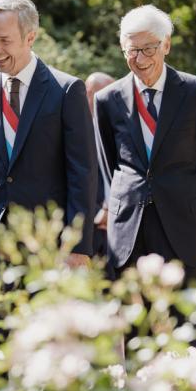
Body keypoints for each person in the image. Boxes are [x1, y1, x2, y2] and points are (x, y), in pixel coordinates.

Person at [0, 0, 98, 359]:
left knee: (44, 340)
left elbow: (82, 172)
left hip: (47, 244)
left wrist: (79, 247)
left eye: (4, 40)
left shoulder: (67, 90)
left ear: (30, 37)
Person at [94, 5, 196, 341]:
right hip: (131, 230)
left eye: (147, 49)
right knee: (137, 332)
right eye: (131, 51)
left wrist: (193, 203)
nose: (139, 59)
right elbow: (109, 162)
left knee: (191, 326)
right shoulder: (107, 99)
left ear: (166, 45)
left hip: (185, 225)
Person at [86, 72, 115, 258]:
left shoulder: (118, 132)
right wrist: (98, 213)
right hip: (87, 232)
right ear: (88, 94)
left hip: (117, 230)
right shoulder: (72, 134)